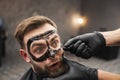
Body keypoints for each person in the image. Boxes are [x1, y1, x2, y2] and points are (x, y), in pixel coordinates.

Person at [14, 15, 120, 80]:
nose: (52, 54)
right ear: (25, 55)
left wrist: (89, 75)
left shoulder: (84, 72)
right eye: (39, 49)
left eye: (54, 42)